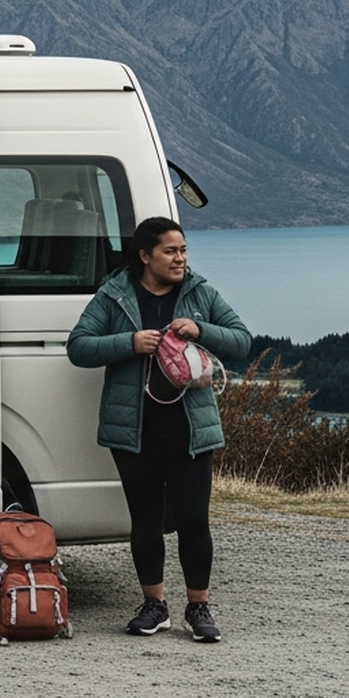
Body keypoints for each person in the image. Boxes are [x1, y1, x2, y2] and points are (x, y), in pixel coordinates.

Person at [67, 216, 250, 643]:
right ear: (145, 255)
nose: (180, 258)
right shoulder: (114, 294)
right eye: (170, 251)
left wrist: (201, 329)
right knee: (146, 521)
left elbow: (242, 341)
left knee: (193, 520)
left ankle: (198, 608)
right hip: (134, 430)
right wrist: (128, 343)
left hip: (191, 431)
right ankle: (155, 606)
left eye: (183, 250)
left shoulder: (200, 293)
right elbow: (78, 346)